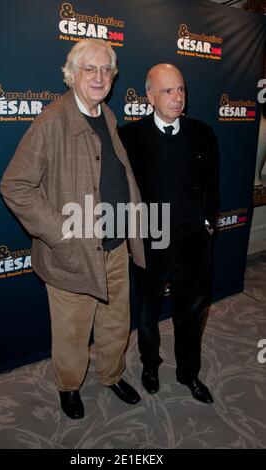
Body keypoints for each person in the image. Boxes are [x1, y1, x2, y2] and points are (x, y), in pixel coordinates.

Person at [0, 39, 145, 420]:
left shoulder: (108, 115)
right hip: (73, 255)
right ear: (72, 74)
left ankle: (111, 375)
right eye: (89, 69)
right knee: (72, 333)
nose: (99, 77)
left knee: (115, 323)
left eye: (106, 70)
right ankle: (68, 387)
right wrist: (61, 234)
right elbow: (14, 185)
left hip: (114, 248)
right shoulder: (52, 120)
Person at [120, 64, 219, 404]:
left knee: (191, 313)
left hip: (193, 239)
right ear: (149, 96)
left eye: (181, 90)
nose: (177, 98)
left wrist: (208, 223)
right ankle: (150, 365)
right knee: (147, 312)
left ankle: (189, 372)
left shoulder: (202, 133)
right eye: (167, 91)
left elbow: (212, 186)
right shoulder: (129, 137)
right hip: (153, 235)